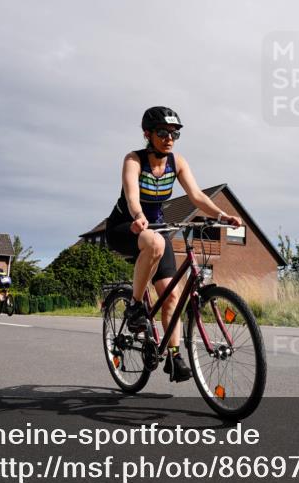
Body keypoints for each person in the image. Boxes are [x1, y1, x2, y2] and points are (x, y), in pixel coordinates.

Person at [103, 106, 243, 382]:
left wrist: (221, 215)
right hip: (127, 226)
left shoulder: (176, 162)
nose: (169, 138)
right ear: (147, 134)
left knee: (171, 296)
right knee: (154, 243)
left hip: (156, 227)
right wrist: (139, 216)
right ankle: (134, 307)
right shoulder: (134, 160)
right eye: (163, 133)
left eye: (174, 134)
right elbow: (132, 196)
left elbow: (197, 196)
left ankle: (174, 356)